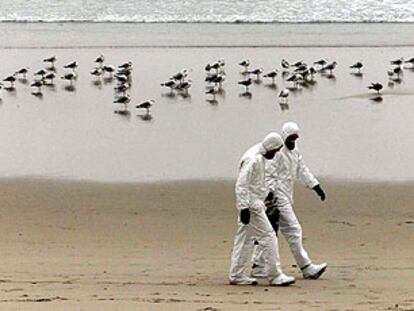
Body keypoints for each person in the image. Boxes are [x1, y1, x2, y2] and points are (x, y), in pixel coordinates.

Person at [252, 122, 328, 280]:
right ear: (285, 137)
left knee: (270, 230)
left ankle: (258, 266)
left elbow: (302, 170)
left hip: (286, 195)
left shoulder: (295, 153)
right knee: (293, 229)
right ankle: (306, 266)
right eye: (291, 138)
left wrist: (315, 185)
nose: (293, 141)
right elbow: (270, 174)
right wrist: (270, 195)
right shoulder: (278, 152)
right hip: (278, 196)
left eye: (295, 138)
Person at [228, 132, 296, 286]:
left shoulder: (257, 154)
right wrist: (244, 207)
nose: (276, 153)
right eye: (276, 150)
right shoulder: (254, 159)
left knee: (245, 239)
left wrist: (265, 196)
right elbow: (241, 184)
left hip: (253, 202)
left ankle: (236, 274)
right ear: (271, 147)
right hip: (252, 205)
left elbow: (254, 183)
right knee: (269, 236)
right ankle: (275, 274)